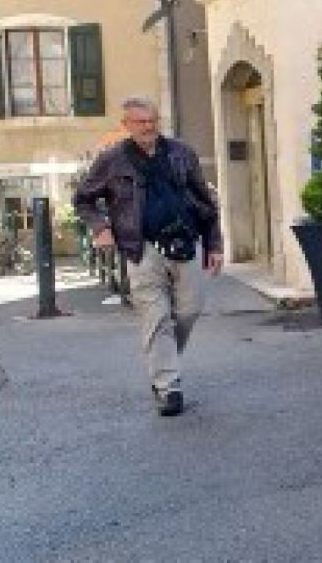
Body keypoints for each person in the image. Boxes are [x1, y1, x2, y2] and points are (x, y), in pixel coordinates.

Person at [74, 97, 223, 416]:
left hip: (186, 241)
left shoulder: (182, 153)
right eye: (140, 122)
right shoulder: (112, 160)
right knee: (155, 317)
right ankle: (168, 386)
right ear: (126, 125)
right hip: (141, 248)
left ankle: (163, 361)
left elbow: (206, 201)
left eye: (152, 120)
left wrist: (215, 244)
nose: (148, 126)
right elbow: (83, 200)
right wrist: (100, 228)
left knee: (190, 310)